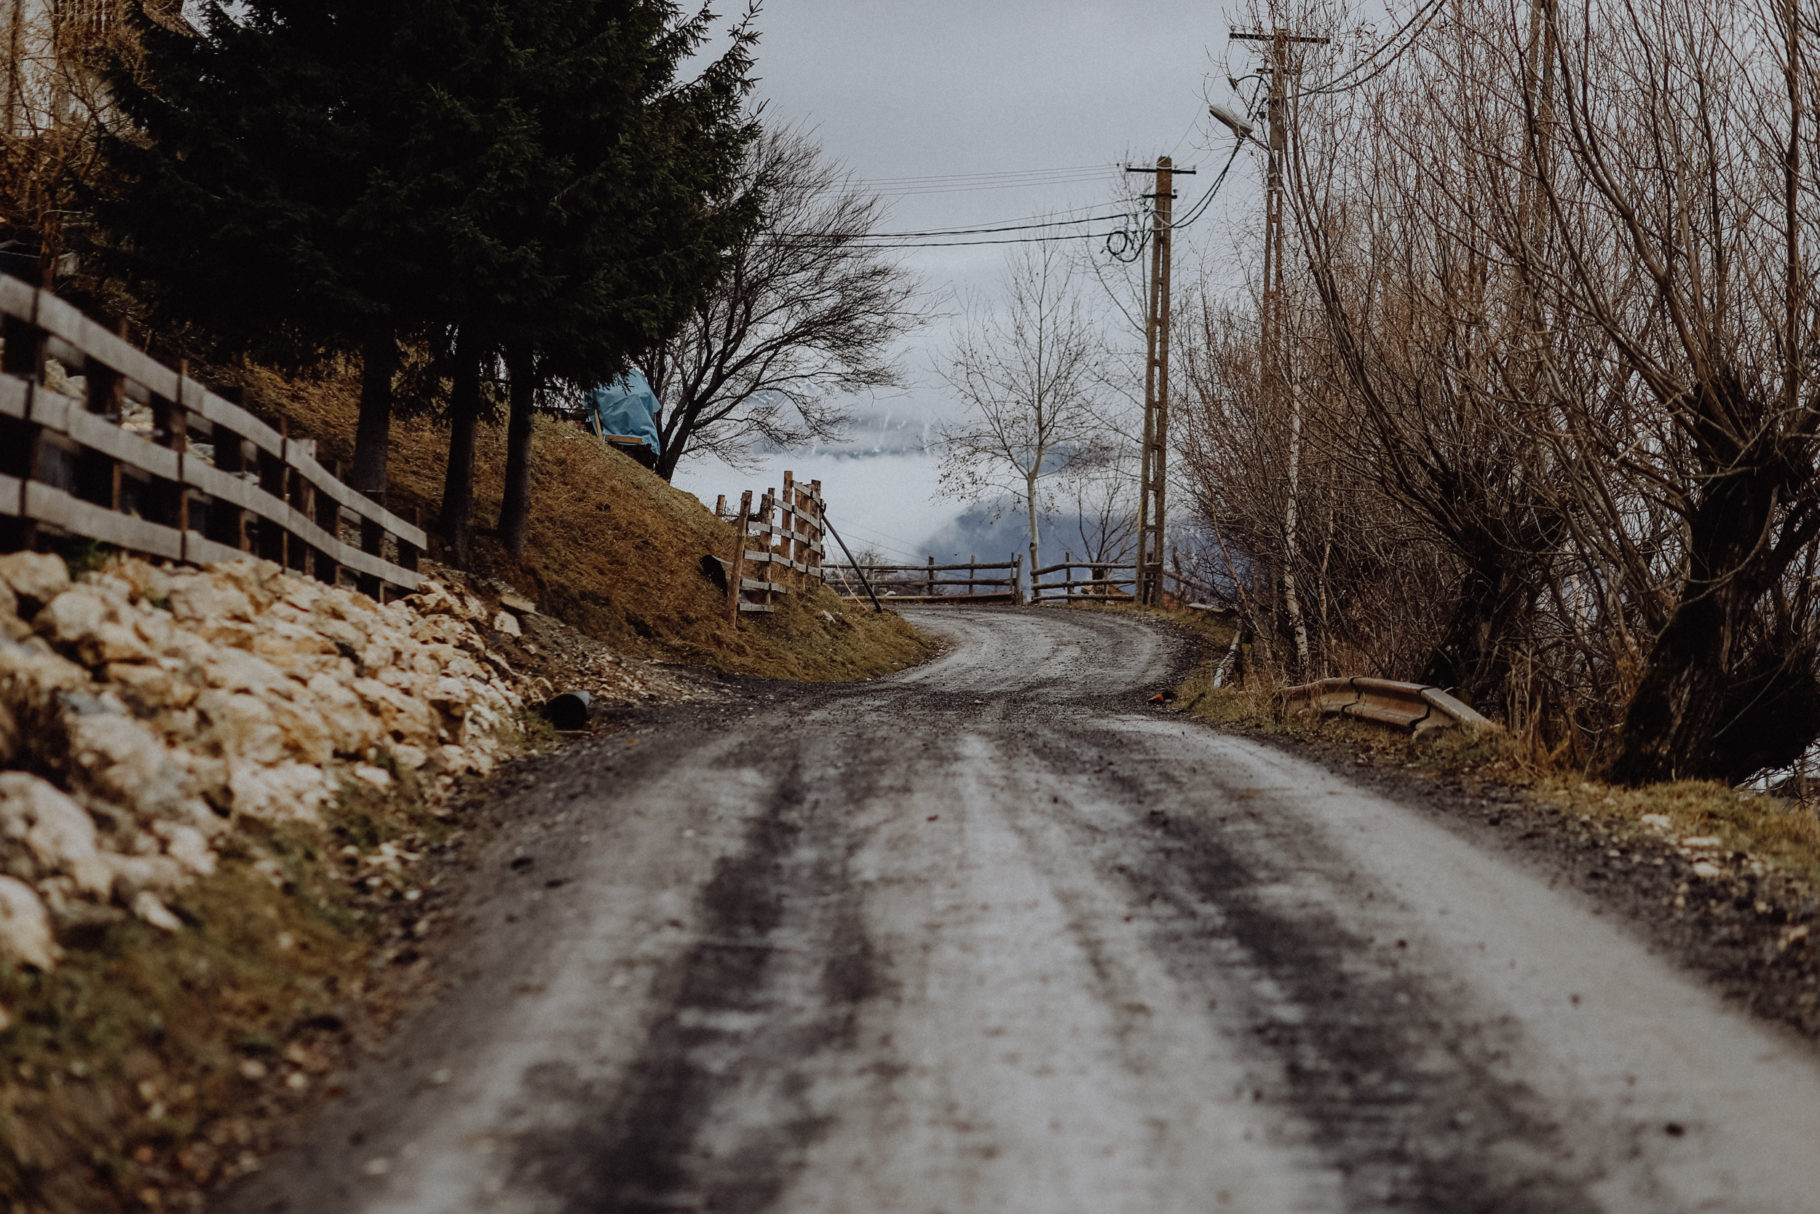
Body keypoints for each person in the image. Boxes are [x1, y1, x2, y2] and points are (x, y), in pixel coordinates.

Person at [583, 370, 662, 469]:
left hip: (612, 435)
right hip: (645, 438)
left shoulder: (599, 381)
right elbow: (652, 407)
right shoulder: (636, 378)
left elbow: (589, 405)